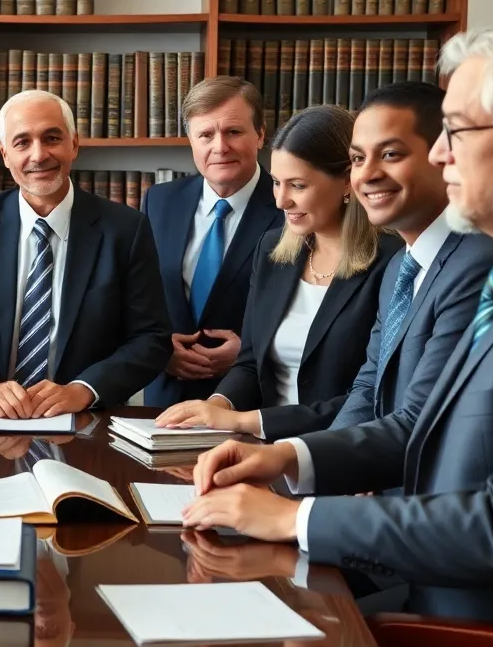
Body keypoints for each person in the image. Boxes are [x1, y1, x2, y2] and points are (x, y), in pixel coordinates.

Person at [183, 22, 493, 647]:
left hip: (490, 639)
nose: (440, 155)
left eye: (457, 133)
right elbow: (418, 423)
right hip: (438, 590)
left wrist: (293, 522)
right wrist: (284, 459)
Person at [156, 105, 401, 441]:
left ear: (347, 180)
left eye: (298, 185)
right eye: (276, 183)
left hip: (338, 453)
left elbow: (371, 397)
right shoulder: (273, 250)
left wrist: (246, 422)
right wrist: (216, 405)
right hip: (261, 447)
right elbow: (251, 362)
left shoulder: (392, 262)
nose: (281, 201)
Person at [0, 89, 171, 417]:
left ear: (74, 143)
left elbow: (151, 339)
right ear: (5, 154)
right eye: (22, 142)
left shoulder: (125, 230)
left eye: (52, 138)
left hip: (86, 421)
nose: (38, 155)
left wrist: (83, 390)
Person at [329, 82, 493, 430]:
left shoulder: (479, 263)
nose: (367, 174)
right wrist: (315, 473)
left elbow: (422, 417)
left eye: (391, 154)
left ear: (444, 155)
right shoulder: (399, 267)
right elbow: (368, 387)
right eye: (358, 159)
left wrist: (300, 465)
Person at [141, 77, 282, 408]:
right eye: (205, 135)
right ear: (191, 141)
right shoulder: (159, 202)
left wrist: (249, 353)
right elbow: (136, 297)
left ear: (260, 134)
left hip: (251, 402)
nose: (220, 147)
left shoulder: (289, 206)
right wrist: (160, 350)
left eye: (233, 132)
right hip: (165, 403)